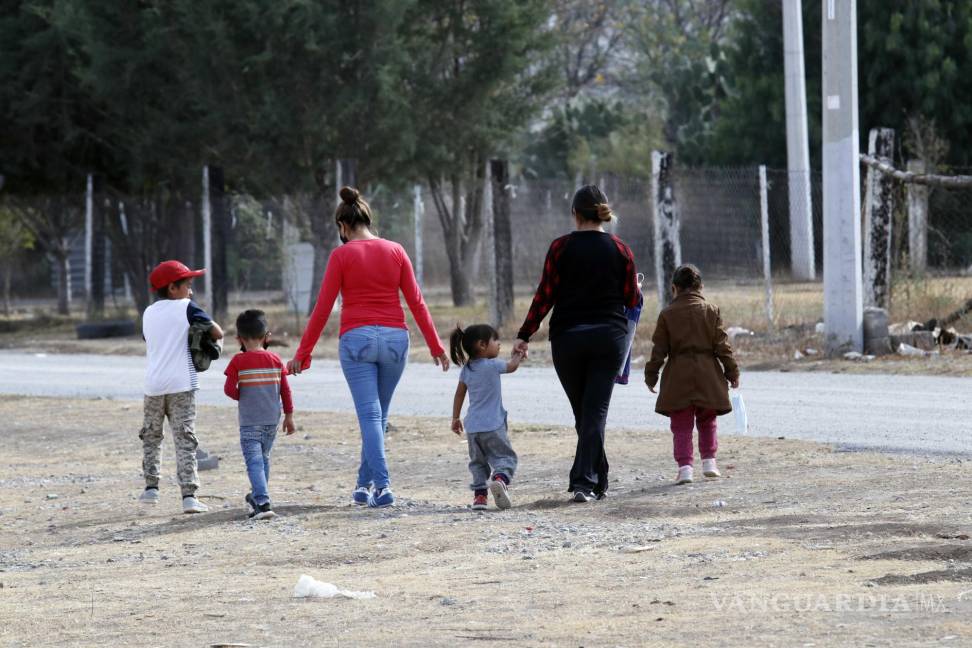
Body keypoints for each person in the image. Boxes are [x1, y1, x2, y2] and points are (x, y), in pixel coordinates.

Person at [287, 186, 448, 508]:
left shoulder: (341, 255)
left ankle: (383, 487)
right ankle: (363, 485)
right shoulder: (396, 250)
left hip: (357, 339)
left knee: (371, 415)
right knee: (377, 415)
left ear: (342, 226)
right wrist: (435, 345)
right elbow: (416, 302)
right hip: (395, 340)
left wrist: (303, 354)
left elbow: (323, 308)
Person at [513, 185, 639, 503]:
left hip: (567, 339)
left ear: (575, 214)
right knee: (592, 412)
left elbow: (545, 295)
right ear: (602, 213)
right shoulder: (621, 249)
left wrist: (525, 334)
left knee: (584, 413)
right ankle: (594, 479)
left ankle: (587, 481)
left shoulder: (560, 247)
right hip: (609, 338)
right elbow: (630, 299)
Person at [139, 260, 223, 513]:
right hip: (182, 384)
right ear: (172, 288)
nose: (191, 291)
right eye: (187, 285)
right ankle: (189, 496)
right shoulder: (187, 307)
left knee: (152, 437)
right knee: (185, 439)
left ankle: (151, 489)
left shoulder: (148, 312)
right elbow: (217, 332)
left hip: (153, 386)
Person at [643, 264, 740, 484]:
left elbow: (658, 350)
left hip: (678, 376)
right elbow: (723, 346)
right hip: (708, 375)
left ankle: (685, 468)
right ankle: (709, 462)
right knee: (708, 420)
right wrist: (732, 372)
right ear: (701, 287)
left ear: (674, 288)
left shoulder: (667, 314)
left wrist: (651, 376)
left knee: (681, 425)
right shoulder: (711, 310)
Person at [224, 309, 296, 520]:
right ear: (267, 337)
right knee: (263, 459)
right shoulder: (275, 359)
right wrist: (289, 416)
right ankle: (257, 497)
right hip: (272, 421)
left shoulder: (238, 361)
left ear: (239, 338)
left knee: (254, 461)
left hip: (249, 422)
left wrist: (244, 397)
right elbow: (285, 390)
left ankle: (263, 503)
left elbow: (228, 389)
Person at [449, 324, 523, 511]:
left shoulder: (467, 370)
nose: (499, 344)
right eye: (495, 340)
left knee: (478, 464)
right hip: (493, 425)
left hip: (473, 428)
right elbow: (512, 366)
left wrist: (455, 418)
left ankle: (480, 498)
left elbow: (459, 394)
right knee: (506, 458)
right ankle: (500, 480)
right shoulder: (493, 365)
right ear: (482, 345)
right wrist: (519, 354)